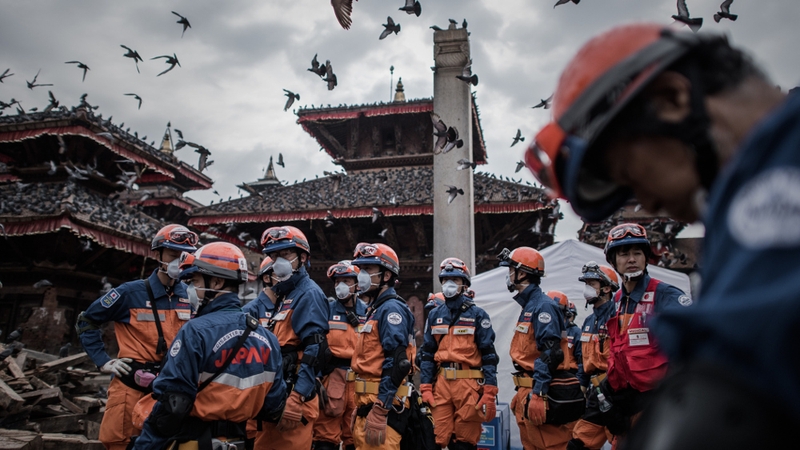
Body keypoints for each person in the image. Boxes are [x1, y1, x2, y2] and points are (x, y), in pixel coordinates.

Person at [526, 21, 800, 448]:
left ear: (672, 99)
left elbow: (747, 375)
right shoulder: (749, 196)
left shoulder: (777, 176)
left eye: (632, 174)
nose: (649, 203)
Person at [132, 242, 286, 449]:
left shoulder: (195, 331)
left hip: (195, 441)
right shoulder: (268, 338)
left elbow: (173, 406)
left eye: (194, 281)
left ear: (215, 282)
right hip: (243, 441)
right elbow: (274, 406)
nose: (189, 290)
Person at [76, 224, 197, 450]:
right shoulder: (129, 292)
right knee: (121, 443)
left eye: (184, 256)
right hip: (130, 388)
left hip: (169, 389)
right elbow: (87, 321)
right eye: (173, 255)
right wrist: (103, 361)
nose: (178, 262)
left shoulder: (188, 297)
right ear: (157, 253)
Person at [253, 225, 330, 450]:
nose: (278, 261)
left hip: (293, 397)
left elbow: (314, 351)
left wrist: (297, 397)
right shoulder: (285, 295)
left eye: (285, 254)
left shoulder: (309, 294)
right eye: (274, 255)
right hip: (278, 394)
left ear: (302, 257)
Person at [499, 246, 579, 450]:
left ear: (522, 273)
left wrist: (538, 393)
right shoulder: (530, 306)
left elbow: (552, 353)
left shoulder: (543, 306)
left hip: (541, 389)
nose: (508, 275)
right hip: (527, 389)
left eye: (511, 270)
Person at [418, 257, 499, 450]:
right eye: (445, 280)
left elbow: (489, 355)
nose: (449, 285)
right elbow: (428, 353)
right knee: (434, 437)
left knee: (464, 441)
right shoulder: (435, 315)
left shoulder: (478, 315)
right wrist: (426, 386)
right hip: (442, 384)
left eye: (454, 280)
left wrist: (490, 390)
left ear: (464, 285)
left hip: (469, 385)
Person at [350, 242, 416, 450]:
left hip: (382, 408)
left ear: (386, 276)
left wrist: (381, 407)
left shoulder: (391, 309)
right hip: (368, 404)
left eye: (368, 269)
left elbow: (398, 363)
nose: (362, 275)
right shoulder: (375, 310)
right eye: (361, 269)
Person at [312, 261, 368, 450]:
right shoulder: (326, 309)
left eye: (345, 280)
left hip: (360, 381)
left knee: (356, 436)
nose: (340, 285)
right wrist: (317, 377)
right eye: (337, 282)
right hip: (332, 379)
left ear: (357, 284)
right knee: (325, 436)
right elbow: (316, 345)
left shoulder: (368, 312)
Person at [568, 263, 620, 450]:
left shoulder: (617, 316)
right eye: (586, 283)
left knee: (620, 442)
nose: (587, 288)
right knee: (577, 445)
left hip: (616, 394)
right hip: (594, 393)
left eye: (592, 283)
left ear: (606, 288)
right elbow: (584, 358)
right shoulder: (590, 321)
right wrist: (581, 384)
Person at [547, 291, 582, 376]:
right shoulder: (544, 329)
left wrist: (580, 381)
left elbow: (582, 359)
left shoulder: (576, 332)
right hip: (547, 373)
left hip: (569, 374)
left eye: (570, 316)